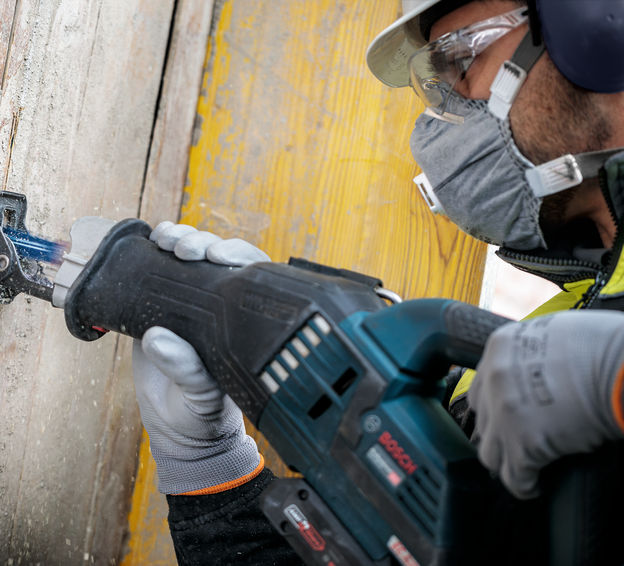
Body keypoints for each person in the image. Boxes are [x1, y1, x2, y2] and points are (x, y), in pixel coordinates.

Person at [132, 1, 624, 564]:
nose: (443, 111)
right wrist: (209, 468)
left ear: (601, 28)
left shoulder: (590, 357)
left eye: (461, 59)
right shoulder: (569, 323)